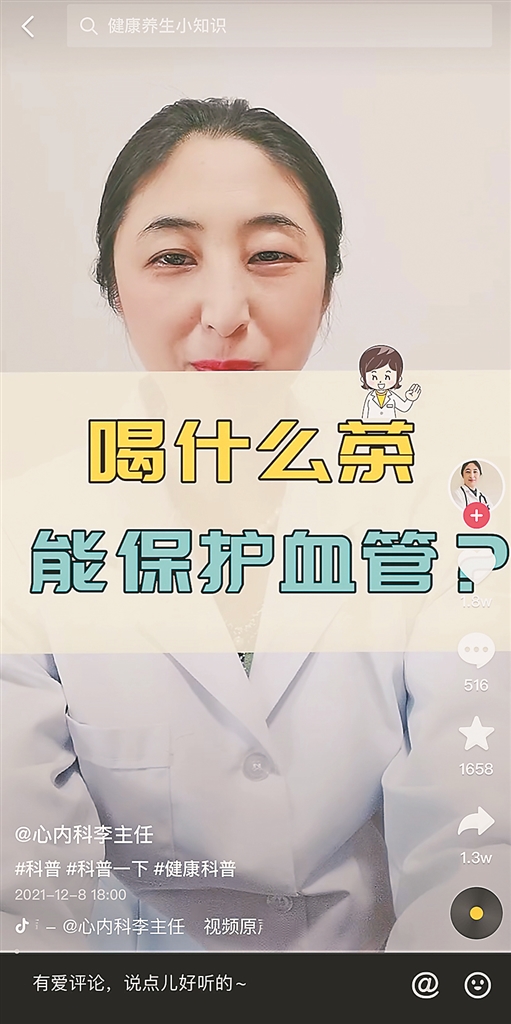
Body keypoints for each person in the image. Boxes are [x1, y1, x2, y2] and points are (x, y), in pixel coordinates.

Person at [3, 100, 504, 954]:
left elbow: (476, 846)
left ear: (328, 282)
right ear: (113, 286)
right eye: (172, 257)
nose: (224, 310)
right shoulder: (28, 535)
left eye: (270, 255)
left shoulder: (439, 515)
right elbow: (22, 899)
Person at [359, 345, 421, 421]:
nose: (380, 382)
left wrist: (410, 400)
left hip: (391, 426)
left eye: (387, 377)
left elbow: (404, 408)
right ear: (363, 379)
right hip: (372, 426)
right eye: (374, 377)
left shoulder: (392, 397)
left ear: (399, 378)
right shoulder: (370, 397)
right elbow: (365, 415)